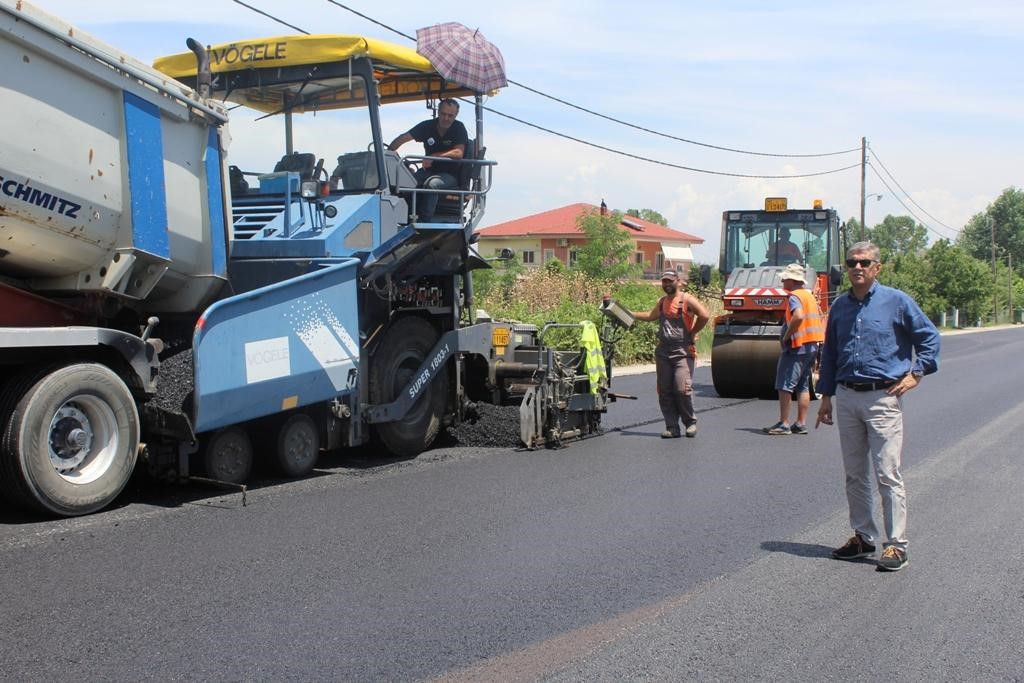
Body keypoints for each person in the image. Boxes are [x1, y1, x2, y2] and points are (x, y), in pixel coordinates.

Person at [815, 241, 940, 572]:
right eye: (852, 262)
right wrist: (825, 396)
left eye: (864, 262)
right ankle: (863, 537)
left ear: (877, 268)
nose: (857, 267)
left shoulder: (896, 302)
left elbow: (929, 338)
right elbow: (830, 353)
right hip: (847, 396)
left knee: (887, 472)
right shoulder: (840, 306)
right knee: (855, 473)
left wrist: (917, 373)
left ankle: (896, 545)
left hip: (882, 397)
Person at [627, 270, 711, 438]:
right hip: (663, 352)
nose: (667, 284)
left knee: (682, 389)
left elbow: (704, 315)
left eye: (670, 281)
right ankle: (672, 426)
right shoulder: (662, 302)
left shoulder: (687, 300)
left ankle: (690, 422)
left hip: (683, 352)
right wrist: (631, 314)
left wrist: (693, 332)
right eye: (664, 281)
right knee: (664, 390)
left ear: (678, 281)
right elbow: (651, 316)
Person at [763, 262, 824, 435]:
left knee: (785, 385)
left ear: (792, 280)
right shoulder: (809, 295)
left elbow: (798, 316)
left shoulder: (794, 297)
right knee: (803, 386)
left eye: (784, 279)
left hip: (797, 347)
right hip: (812, 346)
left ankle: (784, 423)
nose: (782, 282)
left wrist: (786, 335)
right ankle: (801, 423)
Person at [388, 98, 468, 221]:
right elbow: (403, 138)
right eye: (443, 114)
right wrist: (388, 152)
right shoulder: (427, 126)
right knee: (406, 182)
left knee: (432, 185)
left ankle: (424, 222)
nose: (446, 118)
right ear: (438, 112)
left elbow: (458, 153)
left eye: (450, 115)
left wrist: (434, 156)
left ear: (456, 115)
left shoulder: (459, 127)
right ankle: (402, 219)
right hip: (428, 171)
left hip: (450, 175)